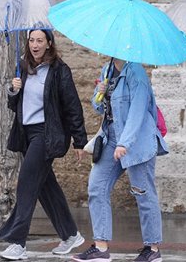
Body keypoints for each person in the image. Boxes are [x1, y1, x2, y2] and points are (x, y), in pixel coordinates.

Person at [0, 29, 88, 260]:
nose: (35, 45)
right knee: (46, 188)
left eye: (39, 40)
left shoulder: (59, 70)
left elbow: (72, 107)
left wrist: (80, 141)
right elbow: (14, 105)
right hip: (26, 133)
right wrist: (13, 90)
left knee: (27, 183)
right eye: (31, 40)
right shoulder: (23, 67)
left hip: (46, 134)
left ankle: (18, 242)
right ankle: (70, 234)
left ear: (49, 43)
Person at [73, 59, 168, 262]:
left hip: (137, 140)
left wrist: (124, 143)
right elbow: (100, 108)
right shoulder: (107, 69)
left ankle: (152, 249)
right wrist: (100, 92)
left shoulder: (136, 73)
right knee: (97, 187)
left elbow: (138, 111)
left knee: (143, 193)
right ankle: (101, 247)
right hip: (111, 138)